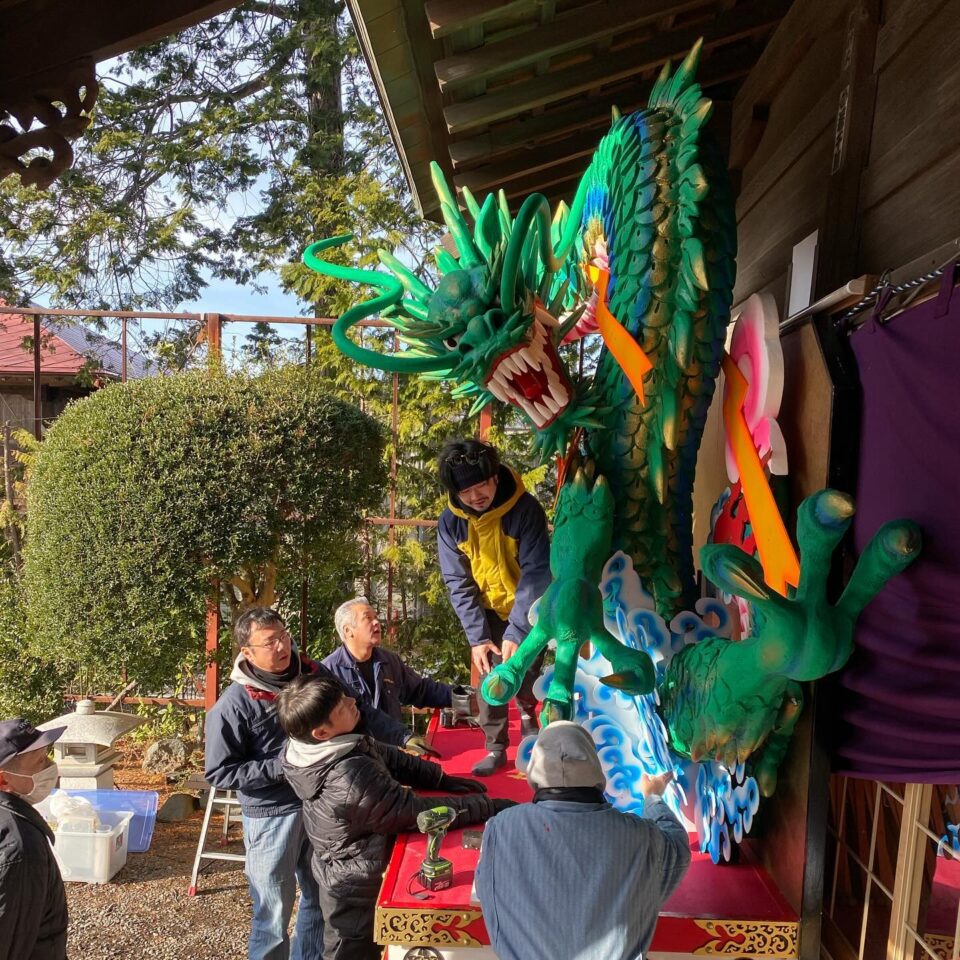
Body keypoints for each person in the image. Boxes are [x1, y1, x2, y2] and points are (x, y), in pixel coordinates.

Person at [204, 607, 428, 960]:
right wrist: (286, 767)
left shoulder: (311, 673)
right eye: (270, 642)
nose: (282, 646)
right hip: (272, 814)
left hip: (321, 806)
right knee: (272, 914)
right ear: (247, 652)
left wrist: (402, 736)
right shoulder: (234, 705)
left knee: (319, 899)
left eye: (284, 635)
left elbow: (355, 708)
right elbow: (220, 772)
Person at [276, 673, 514, 960]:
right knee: (349, 950)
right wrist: (487, 807)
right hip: (354, 883)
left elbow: (385, 755)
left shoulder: (327, 745)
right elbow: (411, 812)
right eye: (342, 706)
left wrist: (439, 778)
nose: (352, 702)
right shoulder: (348, 775)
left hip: (349, 862)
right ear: (322, 732)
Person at [475, 721, 691, 960]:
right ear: (595, 768)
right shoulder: (640, 836)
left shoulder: (500, 829)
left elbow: (488, 892)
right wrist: (653, 798)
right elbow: (678, 848)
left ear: (534, 771)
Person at [437, 439, 552, 775]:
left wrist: (518, 629)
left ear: (495, 478)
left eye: (481, 485)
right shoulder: (450, 522)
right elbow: (457, 581)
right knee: (490, 673)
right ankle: (495, 746)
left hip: (527, 606)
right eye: (466, 491)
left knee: (526, 668)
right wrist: (477, 637)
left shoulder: (526, 510)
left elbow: (536, 572)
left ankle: (530, 721)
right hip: (486, 609)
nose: (475, 496)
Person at [323, 597, 455, 724]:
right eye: (368, 618)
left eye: (376, 617)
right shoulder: (328, 672)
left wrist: (459, 696)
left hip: (392, 740)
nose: (376, 622)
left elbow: (421, 690)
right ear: (348, 631)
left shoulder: (389, 661)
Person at [0, 717, 68, 960]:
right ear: (3, 779)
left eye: (47, 756)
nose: (50, 766)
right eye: (39, 761)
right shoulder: (21, 850)